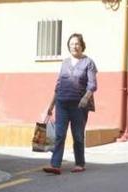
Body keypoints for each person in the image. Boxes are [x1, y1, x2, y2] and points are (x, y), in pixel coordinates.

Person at [42, 33, 97, 174]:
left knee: (78, 135)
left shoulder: (88, 63)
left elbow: (92, 85)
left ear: (82, 45)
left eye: (77, 43)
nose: (74, 46)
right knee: (59, 134)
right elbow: (58, 85)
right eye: (72, 44)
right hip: (62, 103)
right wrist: (51, 105)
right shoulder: (65, 62)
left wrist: (85, 98)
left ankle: (79, 163)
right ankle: (55, 165)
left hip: (79, 105)